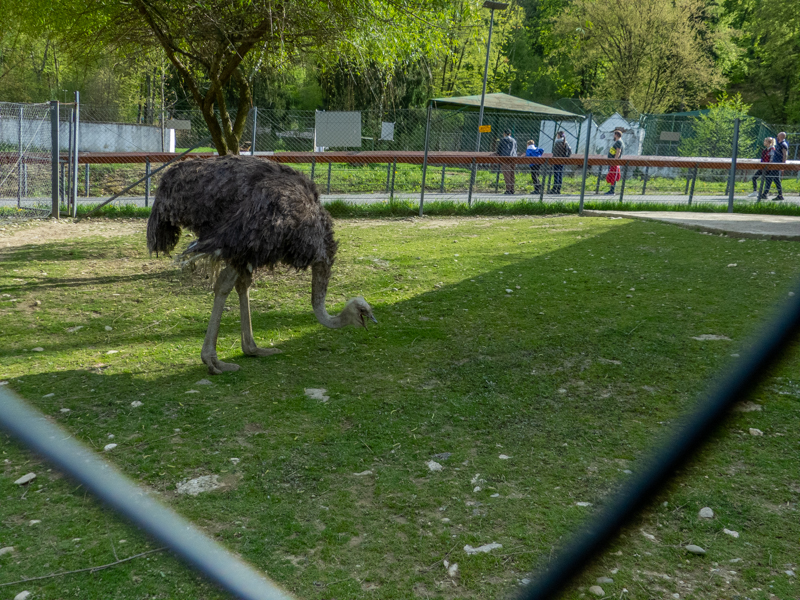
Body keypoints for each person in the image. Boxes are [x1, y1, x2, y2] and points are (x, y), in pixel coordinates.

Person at [762, 132, 789, 201]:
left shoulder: (783, 144)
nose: (777, 137)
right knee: (776, 180)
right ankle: (780, 195)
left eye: (778, 136)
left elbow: (785, 155)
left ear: (781, 137)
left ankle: (765, 194)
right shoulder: (779, 144)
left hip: (778, 165)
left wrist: (783, 165)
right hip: (775, 164)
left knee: (769, 178)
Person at [496, 130, 518, 194]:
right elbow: (515, 149)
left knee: (506, 174)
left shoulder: (502, 140)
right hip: (513, 158)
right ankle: (512, 189)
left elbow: (499, 150)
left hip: (505, 159)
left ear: (504, 134)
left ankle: (508, 190)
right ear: (510, 134)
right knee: (512, 174)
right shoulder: (514, 140)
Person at [604, 130, 625, 195]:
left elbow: (618, 151)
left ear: (616, 135)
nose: (613, 136)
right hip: (613, 162)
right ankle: (611, 190)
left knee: (613, 176)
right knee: (612, 175)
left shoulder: (619, 142)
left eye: (614, 135)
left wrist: (615, 160)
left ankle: (612, 191)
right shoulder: (619, 142)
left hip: (614, 162)